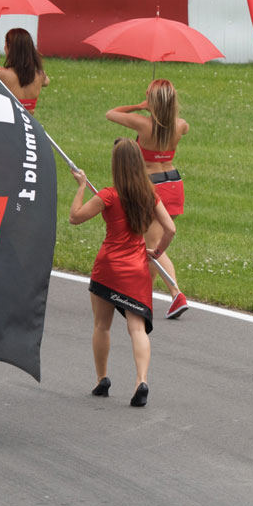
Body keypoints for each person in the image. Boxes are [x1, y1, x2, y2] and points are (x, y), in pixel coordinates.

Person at [69, 138, 176, 407]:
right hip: (137, 268)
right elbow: (170, 229)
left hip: (109, 268)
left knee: (101, 325)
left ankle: (102, 379)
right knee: (137, 328)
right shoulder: (149, 195)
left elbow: (75, 216)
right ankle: (142, 380)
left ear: (116, 166)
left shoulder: (108, 195)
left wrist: (82, 186)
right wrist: (157, 251)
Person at [106, 79, 190, 319]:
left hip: (152, 186)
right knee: (152, 243)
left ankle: (176, 294)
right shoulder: (181, 126)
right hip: (174, 183)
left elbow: (110, 113)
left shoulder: (143, 125)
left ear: (152, 102)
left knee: (153, 246)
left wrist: (138, 106)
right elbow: (181, 125)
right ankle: (143, 295)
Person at [0, 28, 49, 114]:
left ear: (9, 49)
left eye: (6, 44)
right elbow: (46, 81)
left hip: (9, 124)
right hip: (28, 125)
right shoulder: (40, 75)